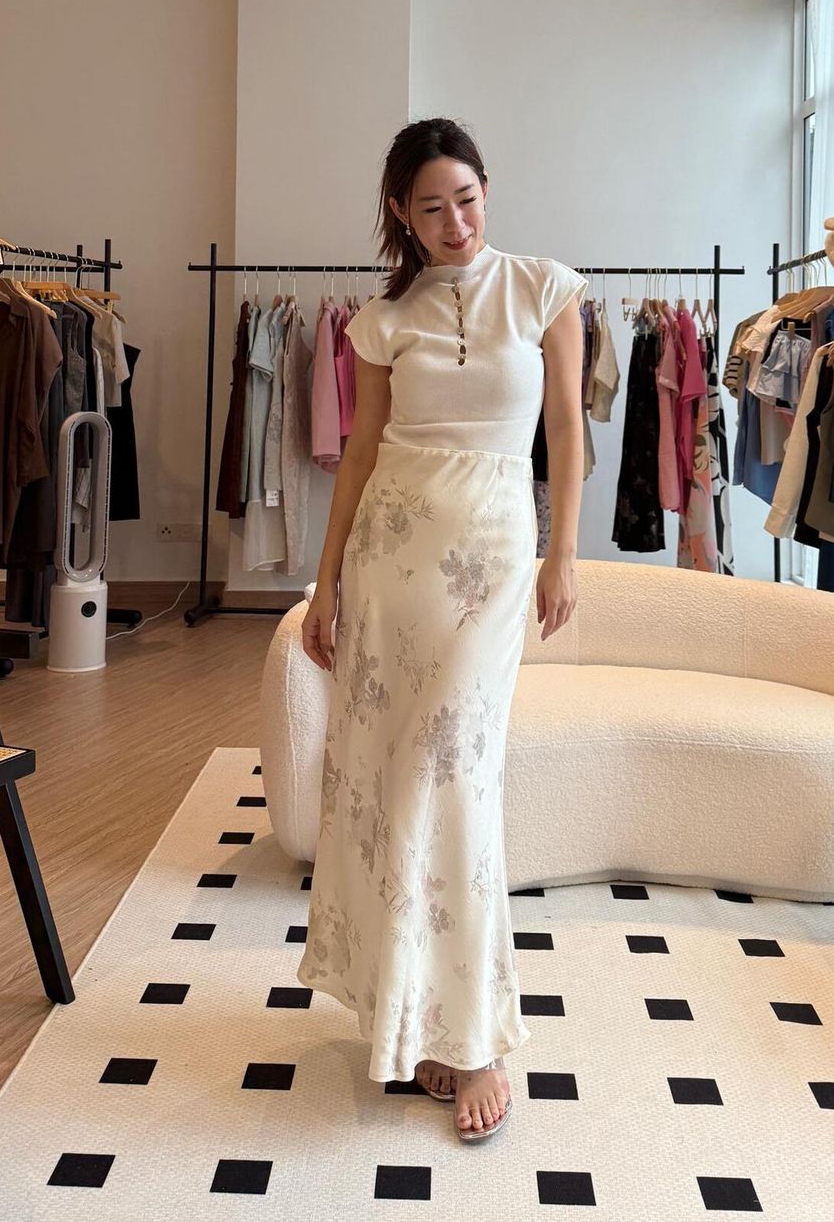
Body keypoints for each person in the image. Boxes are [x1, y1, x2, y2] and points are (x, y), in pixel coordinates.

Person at [296, 117, 586, 1142]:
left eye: (467, 198)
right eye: (432, 207)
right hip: (392, 555)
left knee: (452, 770)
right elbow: (363, 452)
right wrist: (324, 584)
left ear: (486, 189)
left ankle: (479, 1037)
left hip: (494, 553)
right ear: (401, 214)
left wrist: (562, 552)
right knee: (391, 779)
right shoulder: (383, 322)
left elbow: (565, 429)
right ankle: (415, 1013)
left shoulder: (545, 288)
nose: (456, 222)